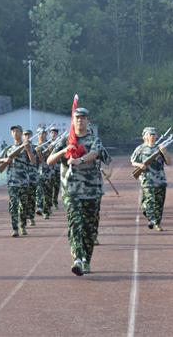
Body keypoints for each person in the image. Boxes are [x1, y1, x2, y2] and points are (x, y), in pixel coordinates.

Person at [47, 107, 101, 276]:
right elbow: (49, 160)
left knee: (89, 227)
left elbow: (95, 153)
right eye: (77, 118)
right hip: (71, 191)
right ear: (73, 120)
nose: (80, 120)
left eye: (83, 118)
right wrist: (64, 150)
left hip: (91, 190)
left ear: (87, 120)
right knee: (75, 223)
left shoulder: (93, 138)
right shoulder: (65, 139)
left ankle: (86, 260)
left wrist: (80, 160)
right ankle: (77, 258)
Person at [0, 125, 36, 237]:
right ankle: (15, 228)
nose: (15, 133)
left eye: (17, 131)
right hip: (12, 181)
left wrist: (28, 150)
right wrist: (5, 159)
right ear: (11, 134)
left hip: (24, 181)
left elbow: (33, 161)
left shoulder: (27, 147)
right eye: (13, 131)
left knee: (24, 205)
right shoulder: (8, 148)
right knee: (13, 205)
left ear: (21, 133)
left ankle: (23, 225)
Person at [131, 127, 172, 231]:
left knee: (159, 202)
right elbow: (132, 161)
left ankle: (157, 223)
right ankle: (151, 218)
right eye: (150, 134)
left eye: (154, 134)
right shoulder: (140, 149)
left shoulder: (160, 148)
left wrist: (165, 152)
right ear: (145, 136)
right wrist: (139, 165)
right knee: (149, 200)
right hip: (147, 179)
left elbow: (169, 162)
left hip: (160, 179)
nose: (153, 137)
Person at [34, 127, 53, 219]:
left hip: (48, 172)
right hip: (38, 172)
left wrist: (49, 150)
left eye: (43, 133)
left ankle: (47, 210)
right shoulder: (34, 146)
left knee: (48, 192)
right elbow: (34, 161)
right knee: (39, 189)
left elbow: (48, 160)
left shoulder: (50, 145)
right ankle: (39, 207)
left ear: (46, 134)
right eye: (39, 133)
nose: (41, 135)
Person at [22, 129, 38, 226]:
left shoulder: (35, 147)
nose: (27, 136)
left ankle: (31, 217)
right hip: (22, 178)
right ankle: (23, 220)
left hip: (32, 177)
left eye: (28, 135)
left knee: (32, 198)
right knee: (23, 199)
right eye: (25, 135)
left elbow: (35, 161)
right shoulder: (18, 148)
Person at [48, 127, 61, 210]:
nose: (53, 134)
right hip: (49, 169)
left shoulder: (59, 143)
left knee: (56, 186)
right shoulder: (47, 143)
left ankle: (55, 201)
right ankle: (48, 203)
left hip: (57, 168)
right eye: (52, 133)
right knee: (49, 186)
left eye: (55, 133)